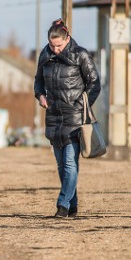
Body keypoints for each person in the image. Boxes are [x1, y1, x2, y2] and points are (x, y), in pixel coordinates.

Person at [34, 19, 101, 218]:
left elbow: (94, 83)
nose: (55, 50)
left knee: (71, 163)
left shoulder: (81, 54)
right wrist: (40, 95)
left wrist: (82, 103)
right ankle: (73, 204)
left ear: (67, 39)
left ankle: (62, 205)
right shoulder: (44, 55)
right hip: (54, 117)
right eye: (52, 45)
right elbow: (38, 81)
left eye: (59, 46)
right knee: (62, 165)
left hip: (75, 118)